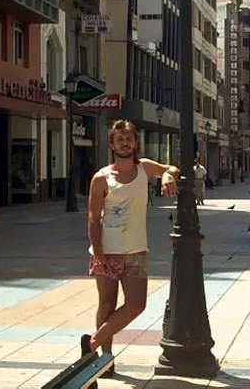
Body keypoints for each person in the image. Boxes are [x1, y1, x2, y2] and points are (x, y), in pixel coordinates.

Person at [82, 120, 179, 376]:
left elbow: (172, 167)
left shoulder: (145, 168)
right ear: (112, 144)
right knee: (107, 304)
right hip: (107, 251)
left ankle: (91, 342)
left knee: (137, 304)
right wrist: (99, 253)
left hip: (136, 250)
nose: (125, 143)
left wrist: (168, 173)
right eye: (119, 139)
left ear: (136, 142)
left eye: (129, 138)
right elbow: (93, 218)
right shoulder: (101, 178)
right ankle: (106, 359)